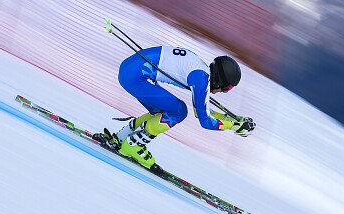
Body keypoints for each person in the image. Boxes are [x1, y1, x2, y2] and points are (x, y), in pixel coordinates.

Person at [93, 46, 255, 171]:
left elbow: (204, 111)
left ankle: (120, 139)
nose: (222, 92)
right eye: (226, 89)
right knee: (179, 111)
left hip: (129, 71)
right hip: (136, 77)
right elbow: (205, 120)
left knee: (162, 114)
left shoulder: (200, 70)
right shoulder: (201, 80)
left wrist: (233, 120)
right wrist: (234, 126)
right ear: (220, 80)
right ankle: (133, 145)